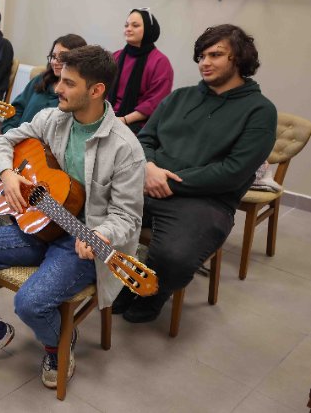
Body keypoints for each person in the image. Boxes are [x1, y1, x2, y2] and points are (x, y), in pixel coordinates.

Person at [0, 46, 145, 388]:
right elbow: (1, 144)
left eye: (69, 83)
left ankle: (58, 345)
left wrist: (102, 235)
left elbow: (127, 216)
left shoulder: (125, 147)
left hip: (80, 241)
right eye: (60, 79)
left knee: (29, 303)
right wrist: (8, 175)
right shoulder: (51, 118)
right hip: (39, 225)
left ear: (96, 90)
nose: (58, 88)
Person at [115, 24, 277, 323]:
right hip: (148, 183)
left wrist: (167, 181)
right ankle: (127, 279)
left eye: (216, 54)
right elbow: (146, 139)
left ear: (239, 58)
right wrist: (149, 168)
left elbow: (233, 171)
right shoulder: (180, 97)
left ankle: (153, 294)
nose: (205, 62)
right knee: (91, 217)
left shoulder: (260, 111)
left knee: (173, 257)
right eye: (201, 55)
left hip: (206, 200)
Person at [0, 34, 87, 235]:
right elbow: (16, 110)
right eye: (53, 56)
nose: (56, 62)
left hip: (39, 156)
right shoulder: (40, 80)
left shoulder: (75, 97)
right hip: (17, 140)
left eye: (63, 57)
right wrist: (10, 135)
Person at [107, 8, 173, 133]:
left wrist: (124, 120)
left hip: (140, 126)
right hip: (108, 117)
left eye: (135, 25)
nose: (128, 29)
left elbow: (155, 102)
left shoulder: (160, 62)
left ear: (148, 29)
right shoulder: (115, 56)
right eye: (126, 25)